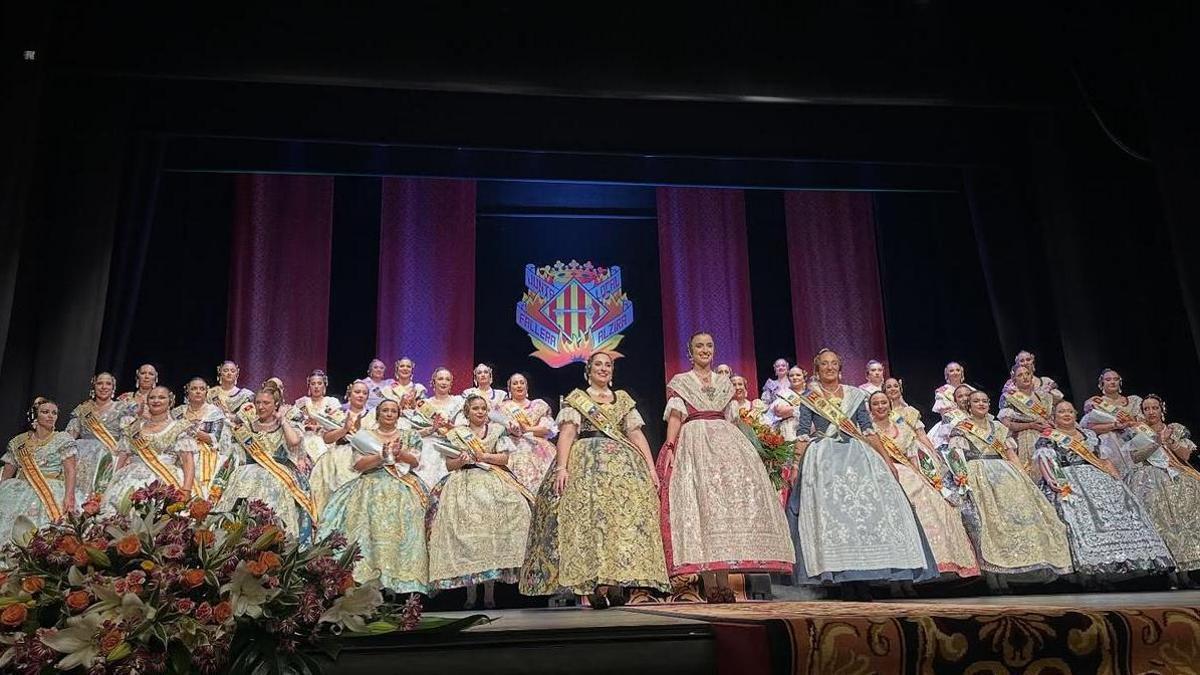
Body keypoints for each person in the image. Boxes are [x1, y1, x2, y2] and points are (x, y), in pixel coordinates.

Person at [520, 352, 669, 607]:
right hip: (585, 465)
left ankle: (613, 583)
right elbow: (567, 435)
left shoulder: (622, 400)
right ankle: (590, 587)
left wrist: (651, 468)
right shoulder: (577, 399)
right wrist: (562, 468)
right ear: (588, 371)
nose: (603, 369)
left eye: (608, 365)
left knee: (618, 523)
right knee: (589, 523)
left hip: (622, 469)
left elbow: (635, 435)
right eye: (598, 365)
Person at [788, 349, 935, 600]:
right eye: (824, 364)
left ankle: (864, 581)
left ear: (840, 367)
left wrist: (887, 461)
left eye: (834, 363)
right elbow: (802, 433)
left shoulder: (856, 395)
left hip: (857, 456)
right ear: (817, 369)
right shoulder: (810, 397)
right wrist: (795, 464)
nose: (829, 367)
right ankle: (843, 581)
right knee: (837, 518)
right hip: (824, 459)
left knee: (865, 516)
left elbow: (867, 430)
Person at [658, 333, 794, 602]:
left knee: (725, 509)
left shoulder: (724, 383)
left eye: (709, 346)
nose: (704, 350)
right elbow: (675, 416)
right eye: (699, 346)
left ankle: (724, 582)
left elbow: (733, 420)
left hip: (726, 442)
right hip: (695, 441)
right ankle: (710, 583)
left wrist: (746, 454)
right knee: (704, 507)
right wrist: (670, 447)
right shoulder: (681, 382)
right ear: (690, 352)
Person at [1033, 400, 1173, 582]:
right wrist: (1056, 482)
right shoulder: (1049, 436)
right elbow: (1048, 460)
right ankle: (1087, 574)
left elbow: (1103, 460)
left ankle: (1114, 568)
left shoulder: (1089, 435)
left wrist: (1117, 479)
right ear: (1054, 417)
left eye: (1069, 411)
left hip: (1095, 476)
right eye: (1061, 412)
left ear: (1075, 415)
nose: (1066, 414)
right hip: (1067, 478)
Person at [949, 390, 1072, 592]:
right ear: (968, 406)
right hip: (977, 474)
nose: (980, 404)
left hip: (1004, 474)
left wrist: (1022, 475)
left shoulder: (998, 427)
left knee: (1010, 521)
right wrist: (961, 477)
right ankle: (992, 575)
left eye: (984, 400)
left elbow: (1010, 454)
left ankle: (1008, 572)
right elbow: (956, 455)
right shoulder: (962, 429)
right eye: (975, 401)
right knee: (987, 522)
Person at [427, 395, 533, 609]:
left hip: (493, 477)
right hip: (464, 480)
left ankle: (490, 593)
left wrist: (482, 456)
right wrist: (462, 460)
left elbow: (503, 459)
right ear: (467, 412)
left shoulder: (496, 431)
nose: (480, 411)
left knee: (516, 510)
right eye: (475, 408)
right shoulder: (457, 434)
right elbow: (450, 465)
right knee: (467, 531)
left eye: (483, 408)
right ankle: (470, 593)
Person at [319, 399, 429, 595]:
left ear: (398, 414)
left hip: (402, 486)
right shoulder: (365, 436)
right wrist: (382, 456)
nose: (389, 414)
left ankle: (400, 584)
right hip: (370, 484)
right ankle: (368, 584)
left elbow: (414, 462)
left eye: (393, 411)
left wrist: (399, 452)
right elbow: (358, 465)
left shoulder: (409, 435)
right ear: (378, 414)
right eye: (385, 410)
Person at [868, 392, 978, 579]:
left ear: (890, 405)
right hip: (879, 474)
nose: (880, 406)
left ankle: (933, 564)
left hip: (908, 473)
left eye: (883, 402)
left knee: (937, 505)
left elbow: (915, 458)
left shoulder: (904, 430)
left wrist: (929, 479)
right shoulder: (868, 432)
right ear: (870, 408)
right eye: (876, 403)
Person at [216, 382, 316, 543]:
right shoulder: (248, 426)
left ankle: (273, 535)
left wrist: (282, 420)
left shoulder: (284, 424)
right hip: (250, 470)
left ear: (276, 404)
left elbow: (294, 441)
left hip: (278, 470)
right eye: (258, 402)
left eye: (266, 403)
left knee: (271, 485)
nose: (261, 406)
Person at [1122, 395, 1200, 578]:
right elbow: (1135, 457)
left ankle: (1187, 573)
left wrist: (1168, 441)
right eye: (1146, 409)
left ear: (1162, 409)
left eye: (1154, 408)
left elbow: (1186, 456)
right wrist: (1156, 441)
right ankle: (1170, 573)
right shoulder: (1137, 431)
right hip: (1150, 477)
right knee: (1162, 523)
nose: (1151, 412)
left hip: (1176, 473)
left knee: (1185, 521)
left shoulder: (1176, 429)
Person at [103, 386, 197, 511]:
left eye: (161, 397)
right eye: (152, 397)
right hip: (129, 479)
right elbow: (123, 457)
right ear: (147, 402)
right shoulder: (133, 428)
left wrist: (186, 490)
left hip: (164, 478)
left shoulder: (179, 427)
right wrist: (114, 480)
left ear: (170, 401)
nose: (156, 400)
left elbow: (187, 461)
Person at [0, 398, 80, 543]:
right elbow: (6, 476)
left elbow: (70, 471)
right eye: (45, 412)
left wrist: (69, 496)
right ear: (35, 415)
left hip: (53, 489)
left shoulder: (63, 439)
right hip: (20, 491)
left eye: (54, 413)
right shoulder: (18, 443)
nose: (51, 416)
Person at [309, 381, 369, 514]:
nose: (360, 395)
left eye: (364, 393)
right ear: (349, 394)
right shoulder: (338, 413)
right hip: (338, 454)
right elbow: (327, 438)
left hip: (363, 456)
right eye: (357, 392)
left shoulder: (372, 416)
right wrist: (344, 430)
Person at [65, 372, 128, 494]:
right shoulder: (83, 409)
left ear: (113, 387)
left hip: (109, 457)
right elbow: (69, 437)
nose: (104, 387)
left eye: (108, 384)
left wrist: (119, 464)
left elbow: (126, 439)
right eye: (100, 383)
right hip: (80, 457)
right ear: (94, 386)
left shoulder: (122, 409)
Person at [171, 377, 231, 500]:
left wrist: (192, 431)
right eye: (194, 389)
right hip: (179, 452)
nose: (198, 391)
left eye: (201, 389)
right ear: (188, 391)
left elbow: (214, 439)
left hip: (205, 451)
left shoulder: (214, 412)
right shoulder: (177, 412)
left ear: (206, 392)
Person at [499, 373, 558, 494]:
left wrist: (527, 429)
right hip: (512, 447)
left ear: (527, 387)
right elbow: (498, 430)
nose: (519, 386)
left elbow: (547, 430)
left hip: (538, 447)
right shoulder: (503, 407)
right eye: (515, 383)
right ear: (509, 389)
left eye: (522, 382)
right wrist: (511, 431)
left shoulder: (539, 406)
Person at [1081, 369, 1144, 478]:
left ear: (1120, 382)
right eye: (1108, 379)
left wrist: (1129, 422)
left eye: (1116, 379)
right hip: (1110, 444)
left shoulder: (1134, 401)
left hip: (1133, 440)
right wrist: (1114, 426)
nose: (1112, 382)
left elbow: (1142, 422)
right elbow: (1088, 428)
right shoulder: (1096, 402)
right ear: (1102, 383)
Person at [998, 364, 1055, 480]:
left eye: (1027, 374)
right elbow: (1006, 424)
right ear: (1014, 380)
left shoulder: (1043, 396)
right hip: (1026, 438)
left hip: (1049, 436)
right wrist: (1031, 425)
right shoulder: (1009, 397)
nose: (1025, 377)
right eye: (1020, 375)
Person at [410, 367, 463, 489]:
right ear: (434, 382)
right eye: (440, 379)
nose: (444, 382)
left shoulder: (458, 402)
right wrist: (433, 429)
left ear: (451, 383)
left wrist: (451, 428)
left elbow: (464, 429)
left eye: (447, 379)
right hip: (429, 443)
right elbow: (414, 433)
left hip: (451, 444)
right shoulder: (424, 404)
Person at [292, 369, 344, 464]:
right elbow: (293, 424)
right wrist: (304, 426)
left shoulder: (332, 402)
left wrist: (319, 427)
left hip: (326, 440)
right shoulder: (301, 402)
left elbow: (338, 425)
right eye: (313, 384)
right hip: (305, 438)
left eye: (319, 383)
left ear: (324, 385)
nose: (316, 387)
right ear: (309, 385)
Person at [767, 366, 810, 441]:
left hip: (808, 431)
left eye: (798, 375)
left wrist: (791, 410)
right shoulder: (784, 393)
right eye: (791, 375)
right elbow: (780, 411)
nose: (794, 377)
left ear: (804, 377)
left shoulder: (811, 394)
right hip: (789, 431)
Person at [929, 384, 974, 449]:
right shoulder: (950, 416)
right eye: (960, 396)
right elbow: (948, 438)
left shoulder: (980, 415)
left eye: (967, 395)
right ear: (955, 401)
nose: (964, 398)